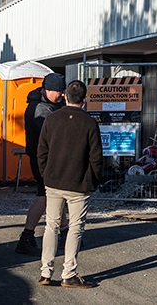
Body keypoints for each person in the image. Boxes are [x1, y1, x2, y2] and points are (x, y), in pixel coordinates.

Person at [36, 79, 103, 289]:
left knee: (51, 226)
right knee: (75, 228)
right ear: (84, 100)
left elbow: (42, 152)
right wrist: (92, 180)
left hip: (53, 181)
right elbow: (96, 158)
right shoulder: (90, 123)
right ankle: (69, 274)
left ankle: (45, 272)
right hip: (79, 185)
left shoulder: (51, 119)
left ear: (65, 96)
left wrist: (46, 174)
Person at [15, 73, 68, 256]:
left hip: (49, 157)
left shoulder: (52, 105)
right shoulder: (39, 109)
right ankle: (27, 236)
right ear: (47, 90)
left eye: (63, 92)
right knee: (45, 194)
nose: (62, 95)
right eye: (59, 92)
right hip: (42, 158)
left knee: (55, 195)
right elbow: (53, 133)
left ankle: (64, 232)